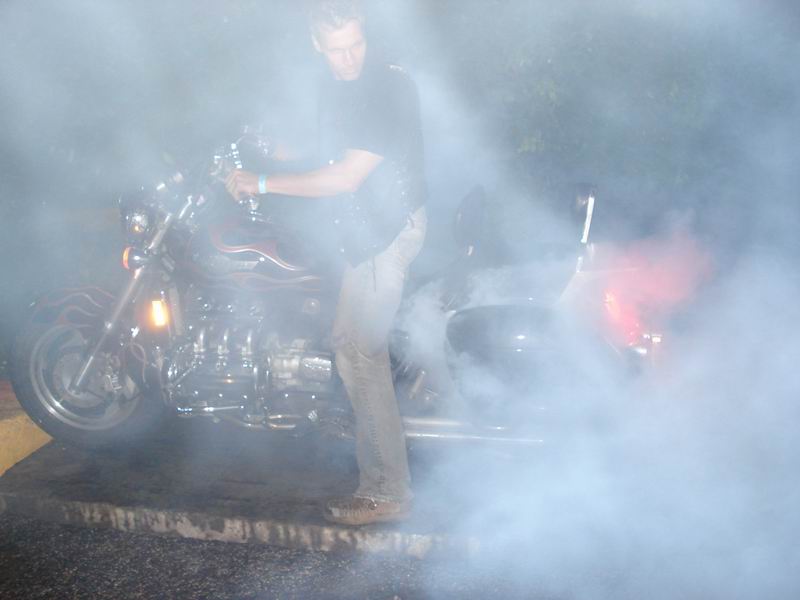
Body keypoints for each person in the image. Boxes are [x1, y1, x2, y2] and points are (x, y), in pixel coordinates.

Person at [225, 0, 427, 526]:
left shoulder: (385, 85)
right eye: (337, 50)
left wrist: (262, 182)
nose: (348, 58)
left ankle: (387, 490)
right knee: (346, 345)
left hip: (387, 233)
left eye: (356, 44)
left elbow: (346, 175)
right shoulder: (337, 84)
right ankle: (371, 453)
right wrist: (271, 150)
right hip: (362, 237)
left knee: (360, 352)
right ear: (317, 44)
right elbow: (329, 147)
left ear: (366, 34)